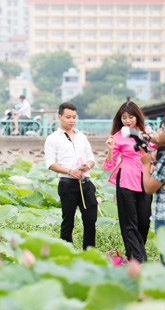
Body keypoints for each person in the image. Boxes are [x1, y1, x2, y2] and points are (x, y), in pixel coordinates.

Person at [103, 101, 153, 262]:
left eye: (131, 117)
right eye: (124, 118)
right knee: (129, 223)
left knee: (144, 222)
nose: (127, 120)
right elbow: (108, 165)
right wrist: (110, 149)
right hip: (126, 181)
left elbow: (156, 152)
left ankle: (134, 256)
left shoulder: (147, 134)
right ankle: (139, 259)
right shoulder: (118, 137)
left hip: (146, 181)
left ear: (137, 117)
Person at [45, 102, 97, 250]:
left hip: (86, 182)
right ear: (59, 117)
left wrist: (88, 165)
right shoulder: (53, 138)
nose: (72, 120)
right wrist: (69, 171)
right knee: (68, 221)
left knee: (90, 220)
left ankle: (89, 252)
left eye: (74, 117)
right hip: (67, 184)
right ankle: (67, 252)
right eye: (68, 117)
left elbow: (91, 157)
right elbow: (50, 163)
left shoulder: (82, 136)